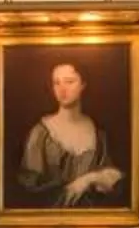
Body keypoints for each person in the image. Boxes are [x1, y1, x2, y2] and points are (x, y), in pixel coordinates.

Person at [16, 61, 127, 206]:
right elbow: (29, 184)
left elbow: (113, 179)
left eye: (69, 82)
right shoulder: (41, 132)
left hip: (92, 221)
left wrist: (89, 179)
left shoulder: (98, 133)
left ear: (83, 85)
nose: (62, 89)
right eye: (57, 83)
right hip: (49, 218)